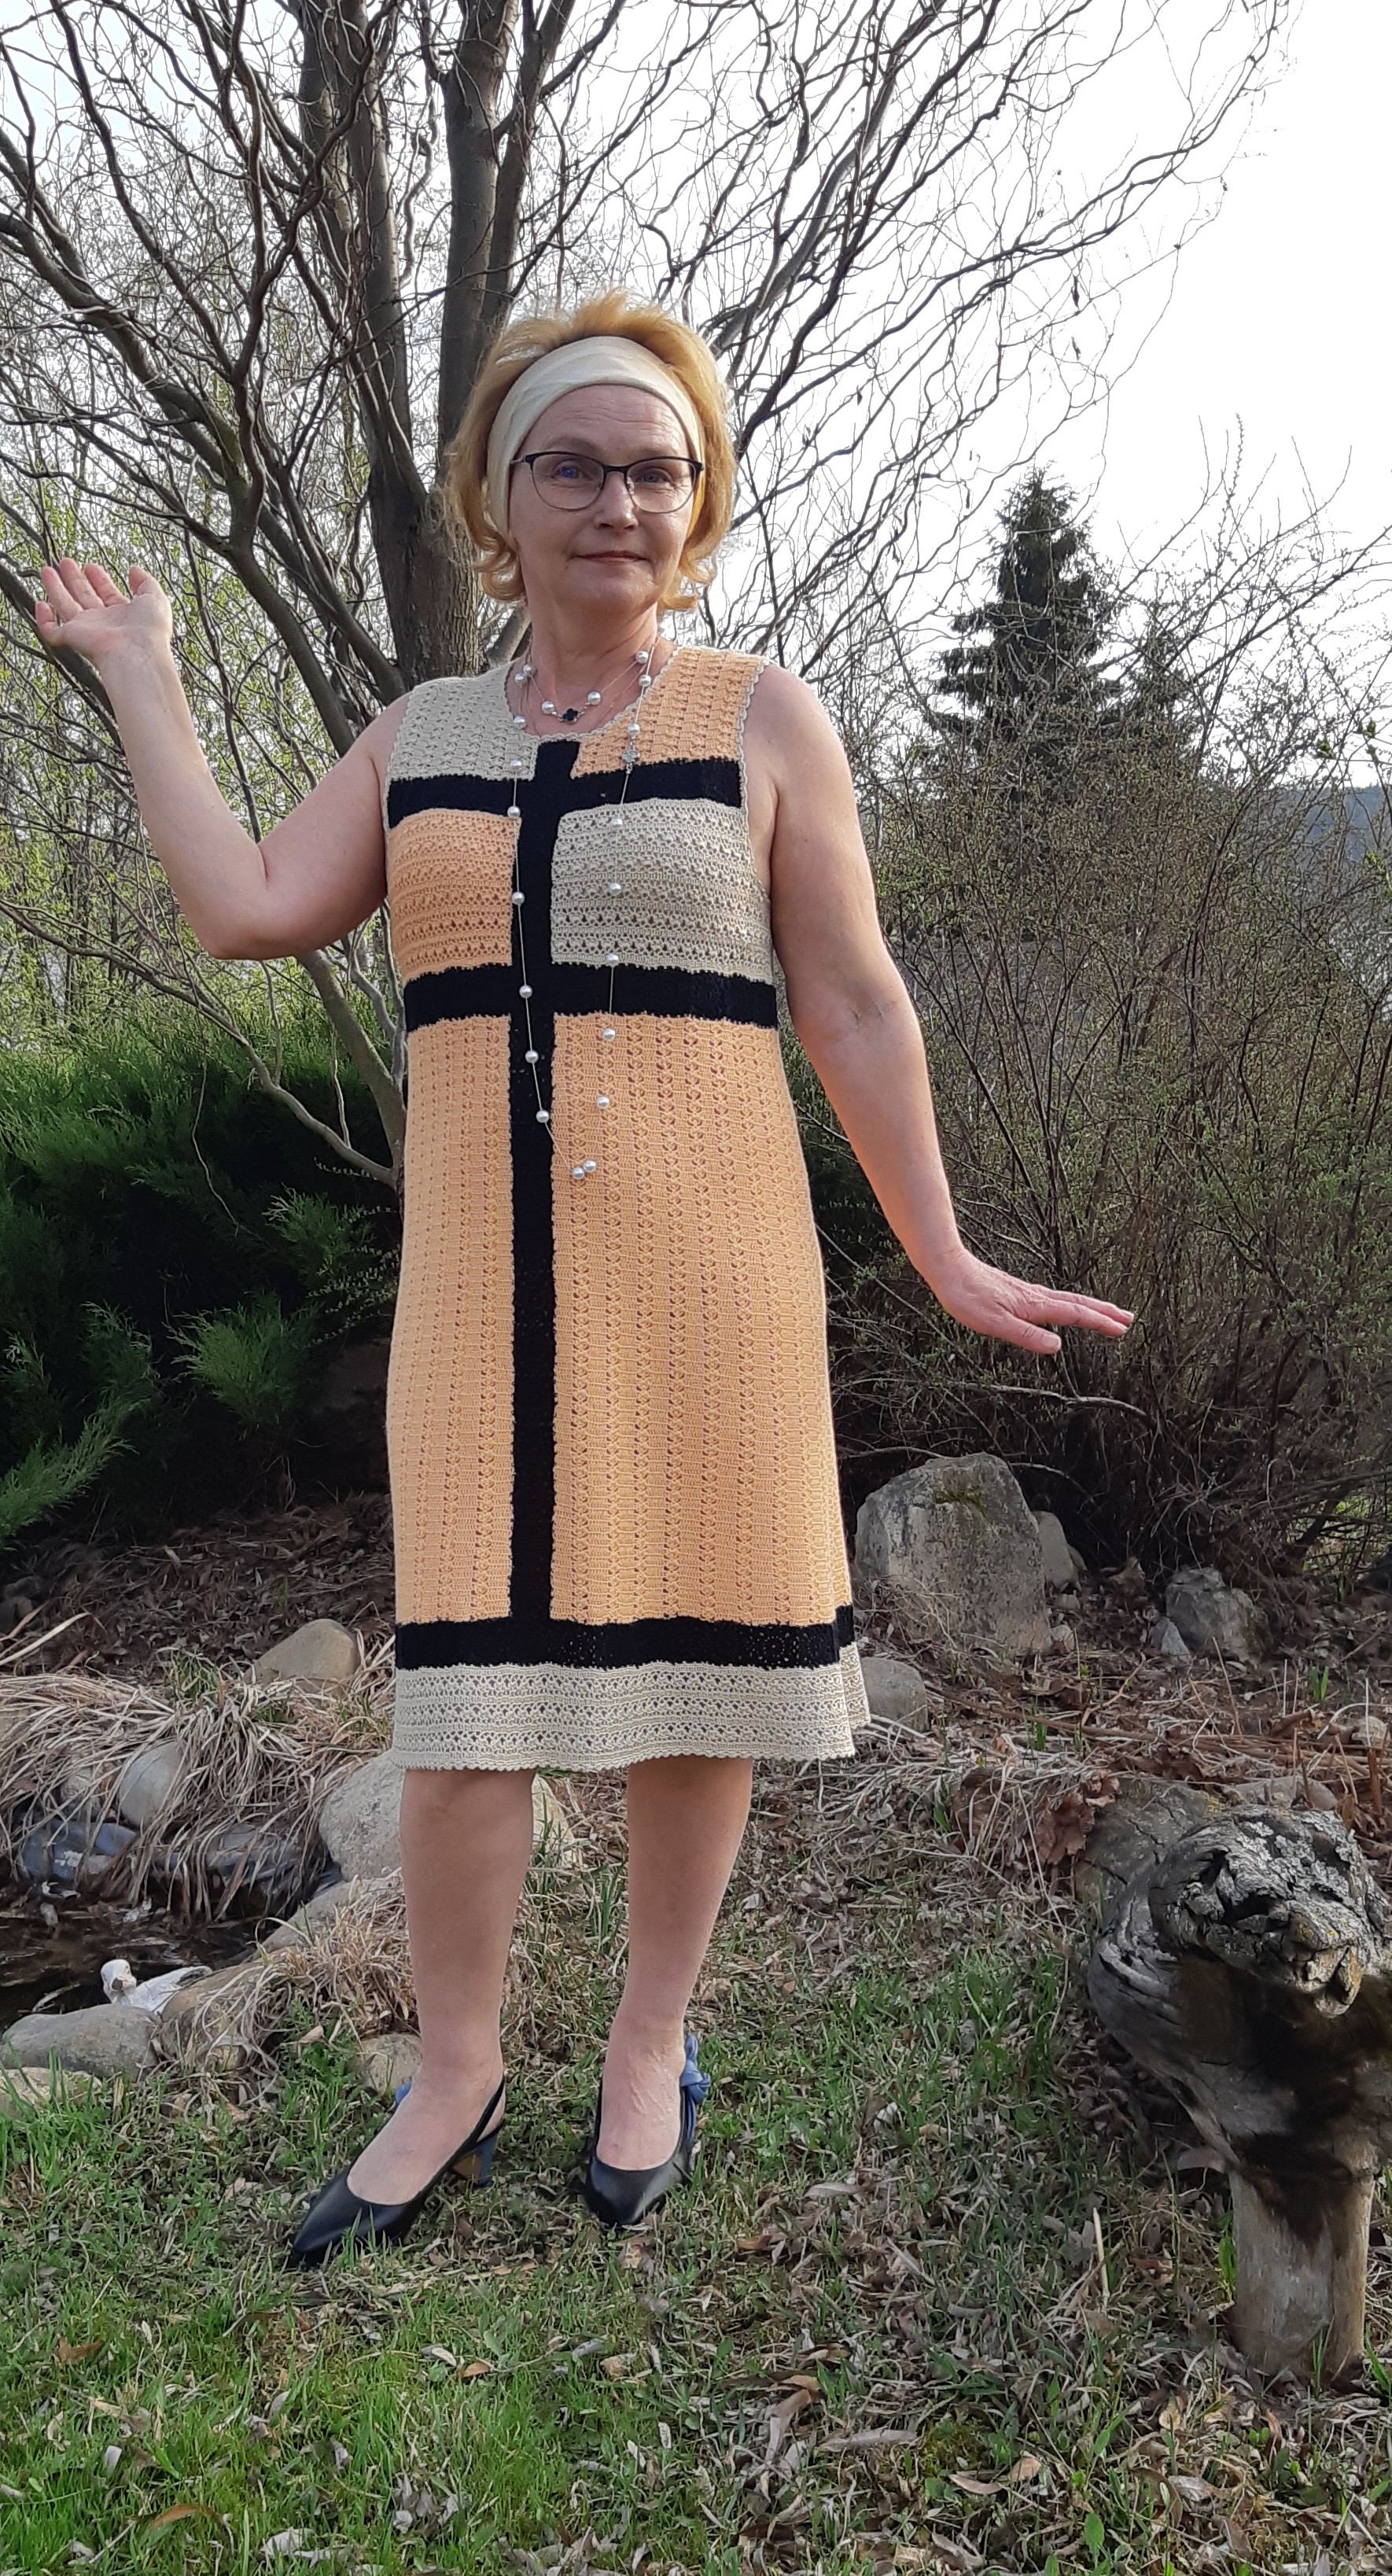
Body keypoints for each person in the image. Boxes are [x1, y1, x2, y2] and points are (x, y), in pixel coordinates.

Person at [34, 292, 1132, 2257]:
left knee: (697, 1674)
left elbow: (855, 1005)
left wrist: (945, 1246)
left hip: (712, 1279)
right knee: (468, 1700)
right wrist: (144, 679)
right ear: (503, 494)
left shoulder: (761, 720)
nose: (618, 501)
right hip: (480, 1303)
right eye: (575, 465)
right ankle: (453, 2070)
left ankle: (649, 2037)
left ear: (694, 504)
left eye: (656, 470)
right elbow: (243, 906)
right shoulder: (422, 737)